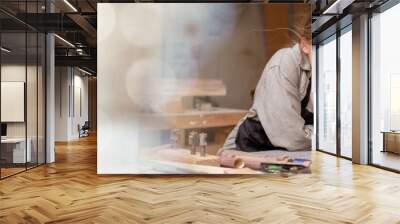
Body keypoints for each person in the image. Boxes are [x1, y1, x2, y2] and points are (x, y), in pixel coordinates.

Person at [222, 23, 313, 152]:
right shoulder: (285, 62)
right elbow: (292, 137)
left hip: (282, 152)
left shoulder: (320, 74)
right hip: (246, 149)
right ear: (305, 45)